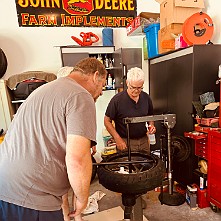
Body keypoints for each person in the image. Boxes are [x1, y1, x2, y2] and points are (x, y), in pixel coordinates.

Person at [0, 57, 107, 221]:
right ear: (95, 76)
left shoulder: (46, 89)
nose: (101, 92)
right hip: (31, 198)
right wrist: (82, 198)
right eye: (102, 85)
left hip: (6, 187)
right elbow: (78, 159)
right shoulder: (81, 95)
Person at [104, 67, 156, 154]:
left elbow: (150, 116)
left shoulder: (146, 98)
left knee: (147, 166)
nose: (136, 91)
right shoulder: (117, 100)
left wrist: (151, 126)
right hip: (125, 142)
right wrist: (117, 139)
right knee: (126, 167)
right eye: (133, 87)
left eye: (139, 88)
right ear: (127, 83)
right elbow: (107, 121)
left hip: (143, 141)